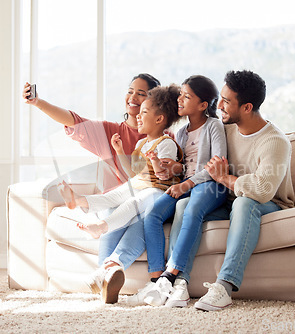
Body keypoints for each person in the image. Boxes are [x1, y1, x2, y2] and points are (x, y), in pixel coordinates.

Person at [190, 70, 295, 311]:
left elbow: (262, 189)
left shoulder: (274, 141)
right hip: (226, 201)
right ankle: (176, 280)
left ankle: (224, 287)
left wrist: (224, 177)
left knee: (244, 202)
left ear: (247, 107)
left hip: (270, 204)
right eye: (221, 98)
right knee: (188, 205)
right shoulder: (225, 129)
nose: (220, 106)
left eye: (227, 102)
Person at [136, 75, 228, 307]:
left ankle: (172, 274)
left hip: (210, 185)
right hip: (185, 184)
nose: (180, 99)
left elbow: (216, 166)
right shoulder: (182, 133)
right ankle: (157, 278)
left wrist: (186, 183)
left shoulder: (213, 126)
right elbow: (186, 165)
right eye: (181, 95)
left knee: (190, 207)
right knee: (153, 214)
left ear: (203, 105)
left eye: (187, 96)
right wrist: (174, 168)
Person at [58, 84, 183, 240]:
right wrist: (120, 152)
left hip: (158, 191)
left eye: (144, 112)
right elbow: (133, 174)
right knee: (112, 196)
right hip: (141, 185)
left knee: (132, 203)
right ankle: (77, 201)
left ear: (159, 119)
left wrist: (156, 161)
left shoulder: (167, 143)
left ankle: (100, 227)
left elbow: (164, 175)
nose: (138, 115)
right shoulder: (141, 144)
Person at [23, 73, 161, 191]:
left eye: (141, 94)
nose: (133, 97)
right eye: (130, 91)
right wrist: (38, 102)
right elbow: (73, 120)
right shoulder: (110, 132)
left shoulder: (162, 136)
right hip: (113, 203)